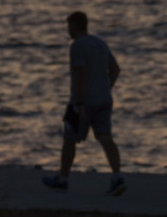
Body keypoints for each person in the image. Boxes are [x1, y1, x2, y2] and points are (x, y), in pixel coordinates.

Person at [42, 11, 126, 196]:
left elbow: (80, 75)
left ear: (75, 26)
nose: (68, 31)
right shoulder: (100, 43)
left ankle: (63, 179)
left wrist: (79, 104)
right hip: (104, 100)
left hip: (82, 102)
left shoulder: (77, 46)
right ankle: (117, 176)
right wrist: (105, 88)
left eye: (69, 27)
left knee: (69, 139)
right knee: (105, 136)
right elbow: (115, 69)